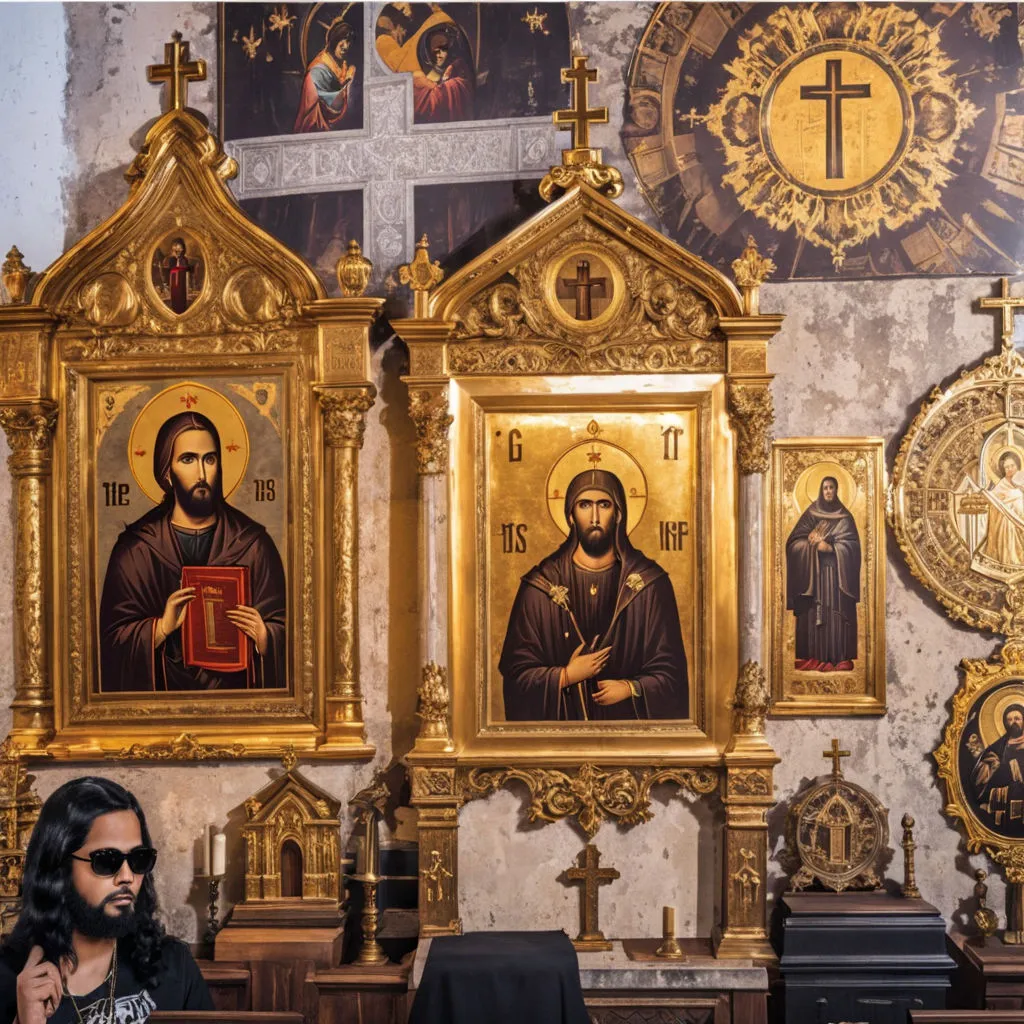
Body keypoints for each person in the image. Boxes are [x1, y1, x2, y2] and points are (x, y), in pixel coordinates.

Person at [99, 410, 286, 691]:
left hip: (238, 709)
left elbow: (296, 638)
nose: (201, 474)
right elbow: (110, 644)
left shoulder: (254, 544)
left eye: (209, 459)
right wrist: (160, 628)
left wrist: (264, 635)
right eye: (188, 459)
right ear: (167, 473)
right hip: (160, 710)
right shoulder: (136, 549)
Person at [0, 777, 212, 1024]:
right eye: (106, 861)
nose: (127, 877)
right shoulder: (9, 978)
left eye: (138, 859)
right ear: (59, 867)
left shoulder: (173, 965)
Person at [499, 468, 688, 721]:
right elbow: (516, 675)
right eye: (585, 505)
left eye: (604, 505)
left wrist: (631, 688)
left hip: (629, 740)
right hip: (560, 743)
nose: (595, 517)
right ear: (570, 515)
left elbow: (672, 675)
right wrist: (566, 676)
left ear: (618, 513)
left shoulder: (650, 585)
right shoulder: (540, 587)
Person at [785, 476, 861, 672]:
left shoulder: (845, 518)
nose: (828, 491)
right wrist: (809, 545)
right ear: (821, 490)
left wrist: (832, 549)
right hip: (814, 578)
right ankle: (813, 657)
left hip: (835, 579)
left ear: (837, 490)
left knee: (833, 616)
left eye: (831, 488)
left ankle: (837, 658)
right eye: (825, 487)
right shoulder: (810, 514)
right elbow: (793, 543)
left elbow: (853, 547)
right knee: (813, 616)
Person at [294, 19, 357, 132]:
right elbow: (334, 106)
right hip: (315, 126)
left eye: (349, 42)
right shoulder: (318, 70)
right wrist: (348, 82)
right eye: (342, 42)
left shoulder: (341, 64)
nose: (346, 47)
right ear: (334, 40)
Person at [973, 704, 1024, 831]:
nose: (1013, 722)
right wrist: (992, 766)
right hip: (1006, 800)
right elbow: (981, 779)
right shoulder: (998, 747)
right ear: (1004, 723)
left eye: (1017, 719)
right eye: (1009, 719)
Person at [413, 26, 473, 123]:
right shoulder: (420, 78)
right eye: (435, 51)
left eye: (443, 49)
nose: (438, 55)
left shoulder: (458, 72)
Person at [979, 450, 1024, 567]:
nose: (1010, 469)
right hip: (1011, 519)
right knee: (1006, 522)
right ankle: (1012, 561)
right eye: (1006, 467)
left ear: (1018, 465)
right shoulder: (1002, 484)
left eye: (1012, 466)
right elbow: (994, 500)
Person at [159, 240, 193, 314]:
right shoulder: (171, 259)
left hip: (182, 280)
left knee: (181, 293)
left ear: (183, 249)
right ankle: (175, 307)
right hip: (174, 279)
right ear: (173, 249)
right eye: (176, 249)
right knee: (175, 294)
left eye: (180, 248)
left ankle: (182, 308)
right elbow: (170, 269)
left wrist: (185, 268)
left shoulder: (184, 259)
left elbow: (187, 269)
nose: (178, 251)